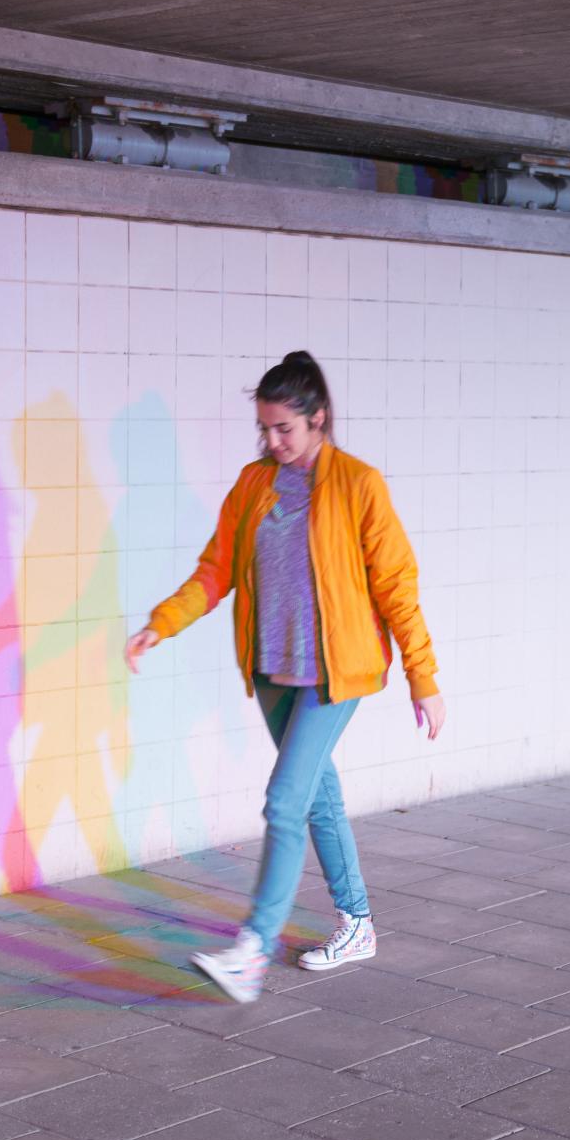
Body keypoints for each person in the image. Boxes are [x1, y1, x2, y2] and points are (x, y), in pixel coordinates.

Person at [124, 350, 445, 1003]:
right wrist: (163, 622)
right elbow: (217, 570)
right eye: (265, 430)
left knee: (284, 801)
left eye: (284, 430)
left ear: (318, 419)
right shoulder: (253, 484)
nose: (272, 442)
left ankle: (253, 951)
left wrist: (423, 676)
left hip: (336, 674)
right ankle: (356, 924)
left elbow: (397, 588)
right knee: (317, 796)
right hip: (275, 671)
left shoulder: (359, 484)